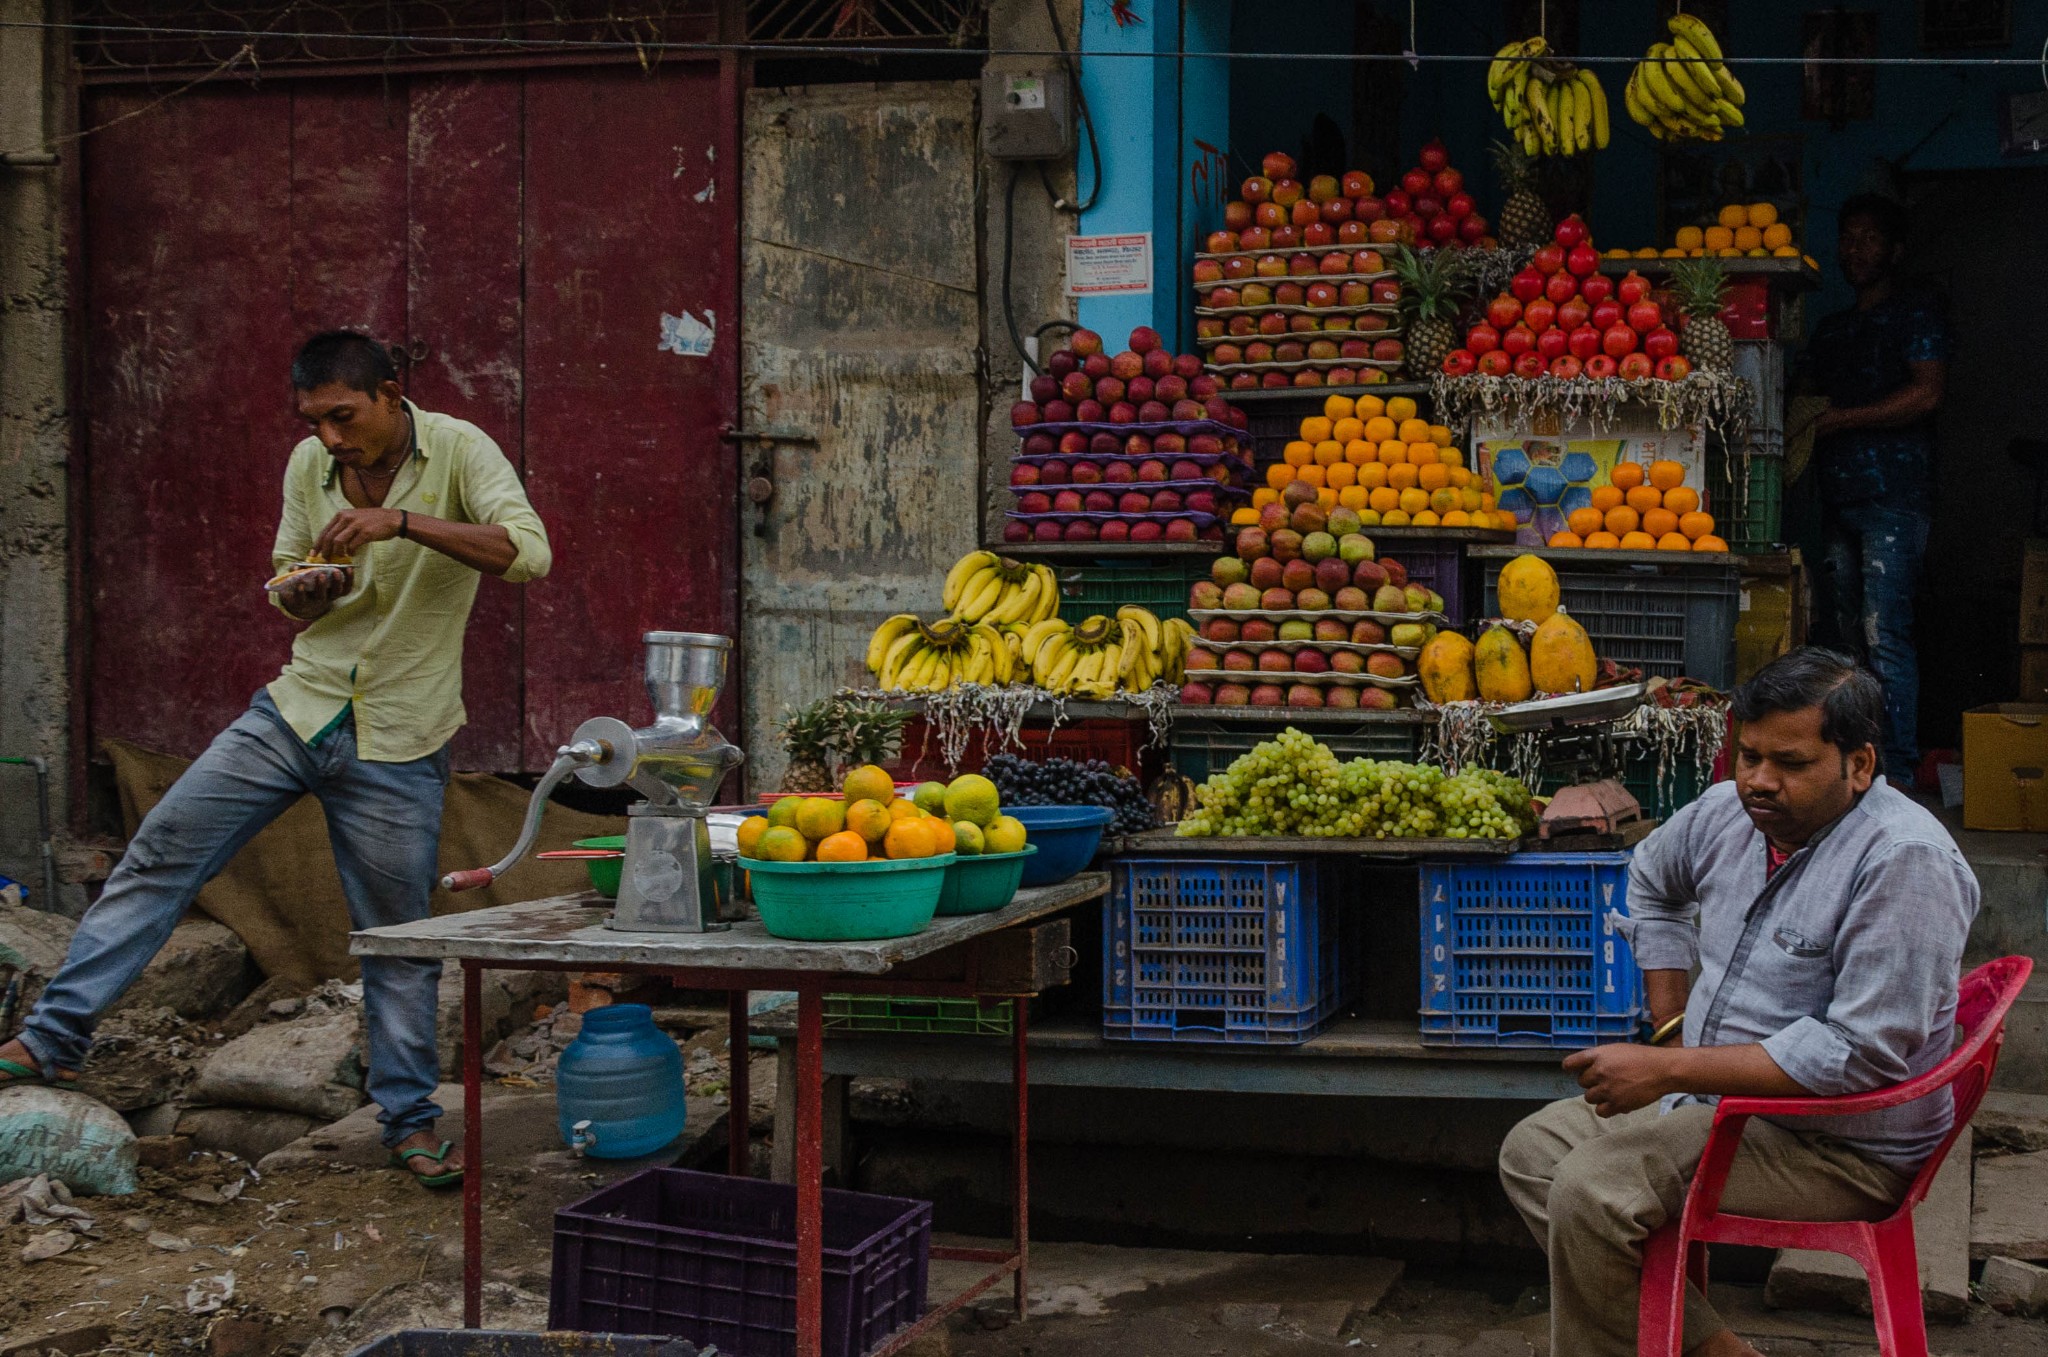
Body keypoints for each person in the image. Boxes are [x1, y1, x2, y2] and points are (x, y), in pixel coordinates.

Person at [0, 332, 552, 1188]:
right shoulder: (309, 466)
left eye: (344, 416)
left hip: (402, 736)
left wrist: (400, 521)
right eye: (314, 420)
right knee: (159, 855)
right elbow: (288, 580)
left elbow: (529, 554)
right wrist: (303, 587)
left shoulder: (459, 449)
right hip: (298, 707)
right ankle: (51, 1040)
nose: (330, 438)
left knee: (396, 940)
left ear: (390, 394)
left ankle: (408, 1120)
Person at [1498, 647, 1979, 1357]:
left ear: (1859, 765)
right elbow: (1653, 881)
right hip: (1719, 1108)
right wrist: (1669, 1032)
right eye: (1748, 755)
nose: (1759, 780)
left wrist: (1672, 1071)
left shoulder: (1905, 861)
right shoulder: (1727, 811)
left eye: (1790, 762)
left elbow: (1859, 1054)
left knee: (1593, 1190)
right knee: (1533, 1149)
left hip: (1840, 1144)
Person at [1804, 193, 1948, 785]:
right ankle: (1854, 771)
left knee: (1883, 634)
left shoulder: (1916, 316)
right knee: (1845, 642)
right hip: (1835, 501)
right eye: (1847, 237)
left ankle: (1901, 774)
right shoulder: (1833, 329)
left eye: (1868, 238)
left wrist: (1843, 419)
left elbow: (1926, 393)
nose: (1854, 249)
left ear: (1895, 250)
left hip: (1893, 496)